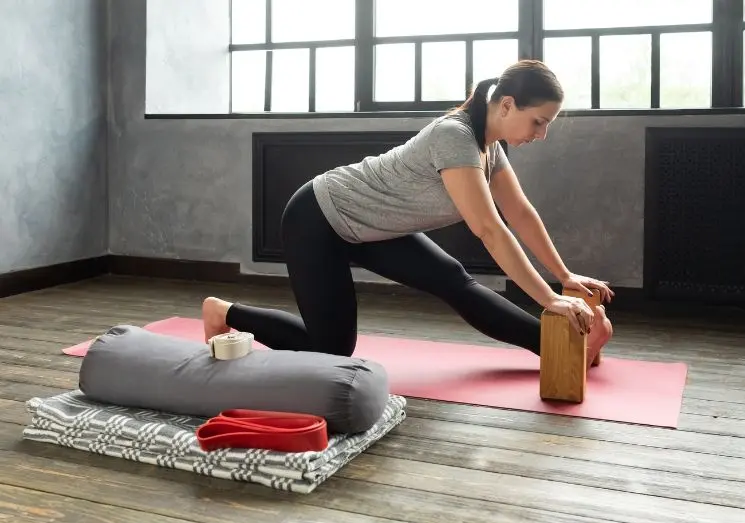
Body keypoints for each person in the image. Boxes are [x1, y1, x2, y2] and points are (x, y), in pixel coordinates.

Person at [203, 59, 614, 360]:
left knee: (454, 281)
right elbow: (490, 228)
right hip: (319, 218)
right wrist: (549, 298)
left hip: (371, 227)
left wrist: (564, 277)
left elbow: (520, 213)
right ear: (507, 105)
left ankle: (553, 347)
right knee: (329, 350)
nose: (541, 135)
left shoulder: (488, 147)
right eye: (538, 122)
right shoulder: (455, 136)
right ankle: (225, 313)